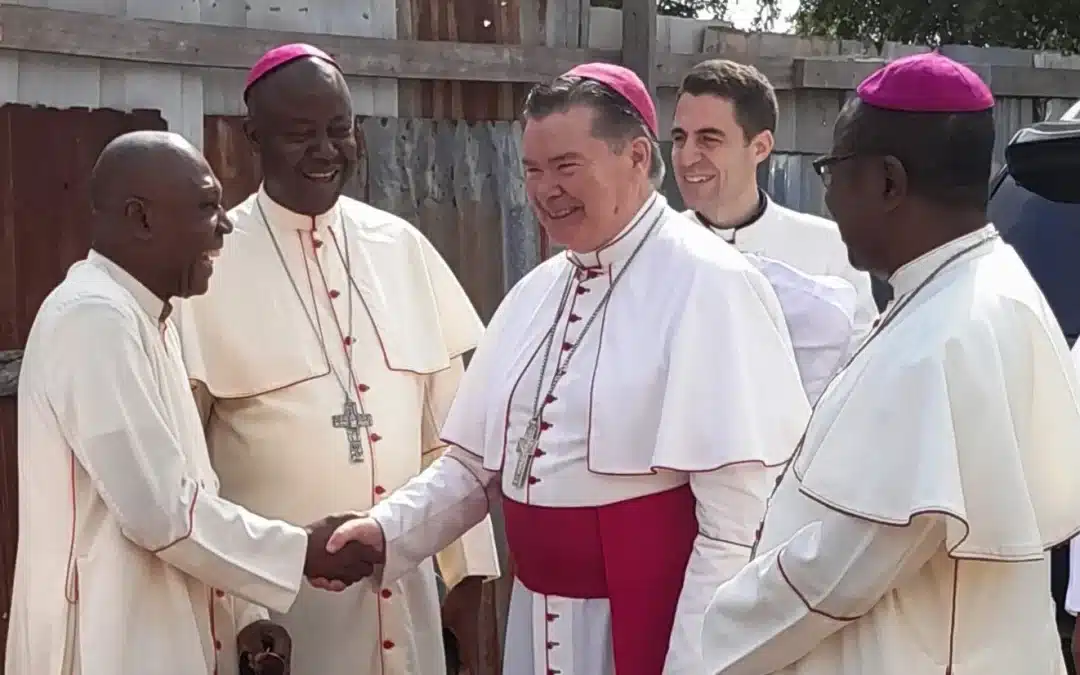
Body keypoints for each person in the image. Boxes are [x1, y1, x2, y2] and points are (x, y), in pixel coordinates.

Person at [310, 62, 813, 675]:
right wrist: (387, 531)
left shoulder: (712, 286)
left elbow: (737, 524)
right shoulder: (535, 293)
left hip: (647, 622)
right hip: (535, 614)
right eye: (533, 170)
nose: (546, 189)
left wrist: (696, 663)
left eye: (567, 167)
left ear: (634, 157)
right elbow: (474, 467)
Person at [700, 52, 1080, 675]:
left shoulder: (947, 334)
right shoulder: (984, 283)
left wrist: (720, 628)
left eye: (834, 168)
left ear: (888, 182)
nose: (826, 192)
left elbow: (845, 567)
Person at [173, 44, 501, 675]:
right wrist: (242, 615)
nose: (325, 150)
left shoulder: (402, 247)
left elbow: (450, 439)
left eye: (339, 129)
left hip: (406, 601)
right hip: (279, 615)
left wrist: (467, 584)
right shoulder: (207, 267)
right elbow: (190, 475)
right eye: (299, 134)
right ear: (253, 140)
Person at [4, 130, 369, 675]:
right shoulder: (93, 320)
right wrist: (300, 550)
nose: (223, 226)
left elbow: (195, 486)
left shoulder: (151, 318)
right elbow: (160, 512)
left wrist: (245, 611)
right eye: (206, 207)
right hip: (108, 643)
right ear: (141, 218)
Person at [672, 59, 878, 344]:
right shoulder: (654, 248)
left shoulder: (829, 251)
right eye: (679, 138)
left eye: (709, 139)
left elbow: (857, 366)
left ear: (760, 147)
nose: (686, 157)